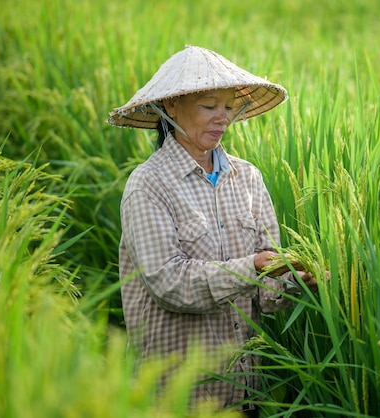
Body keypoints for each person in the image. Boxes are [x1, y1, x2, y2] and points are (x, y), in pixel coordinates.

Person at [107, 45, 318, 416]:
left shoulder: (247, 178)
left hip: (244, 391)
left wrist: (299, 283)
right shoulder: (149, 186)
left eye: (229, 106)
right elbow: (169, 284)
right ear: (171, 106)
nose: (222, 118)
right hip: (177, 398)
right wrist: (252, 265)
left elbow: (267, 293)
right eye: (209, 106)